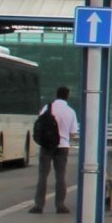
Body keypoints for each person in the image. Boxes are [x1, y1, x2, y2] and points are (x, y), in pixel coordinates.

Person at [30, 85, 78, 215]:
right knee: (60, 176)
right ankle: (60, 205)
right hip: (62, 146)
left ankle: (39, 206)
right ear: (67, 96)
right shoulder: (70, 111)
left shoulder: (47, 107)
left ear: (56, 95)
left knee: (42, 176)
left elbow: (39, 124)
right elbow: (73, 133)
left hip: (46, 146)